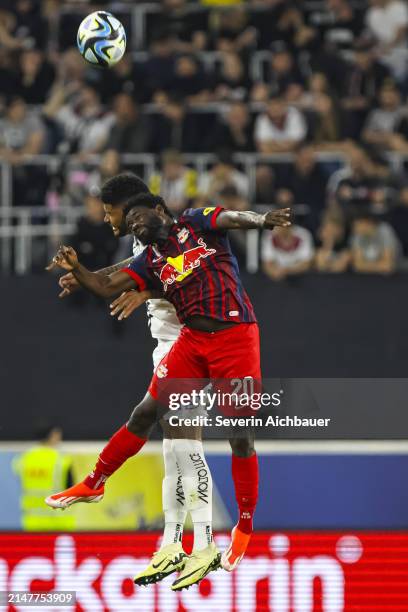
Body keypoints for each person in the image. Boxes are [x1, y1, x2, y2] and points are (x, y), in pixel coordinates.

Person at [46, 177, 291, 588]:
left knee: (237, 437)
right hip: (189, 342)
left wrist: (261, 219)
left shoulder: (195, 222)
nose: (129, 226)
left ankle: (236, 530)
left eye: (126, 216)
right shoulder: (148, 256)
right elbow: (109, 283)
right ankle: (106, 488)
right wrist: (82, 271)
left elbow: (228, 217)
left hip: (236, 338)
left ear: (156, 209)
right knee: (154, 423)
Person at [52, 174, 215, 588]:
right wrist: (93, 273)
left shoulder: (168, 230)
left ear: (129, 208)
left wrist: (148, 290)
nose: (107, 221)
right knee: (175, 448)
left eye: (110, 213)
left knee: (179, 442)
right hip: (168, 344)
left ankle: (202, 542)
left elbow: (193, 272)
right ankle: (174, 543)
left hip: (190, 341)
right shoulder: (143, 237)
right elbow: (133, 269)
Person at [13, 424, 74, 532]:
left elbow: (20, 480)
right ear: (52, 435)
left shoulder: (23, 459)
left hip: (32, 522)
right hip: (59, 521)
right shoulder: (61, 460)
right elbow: (71, 488)